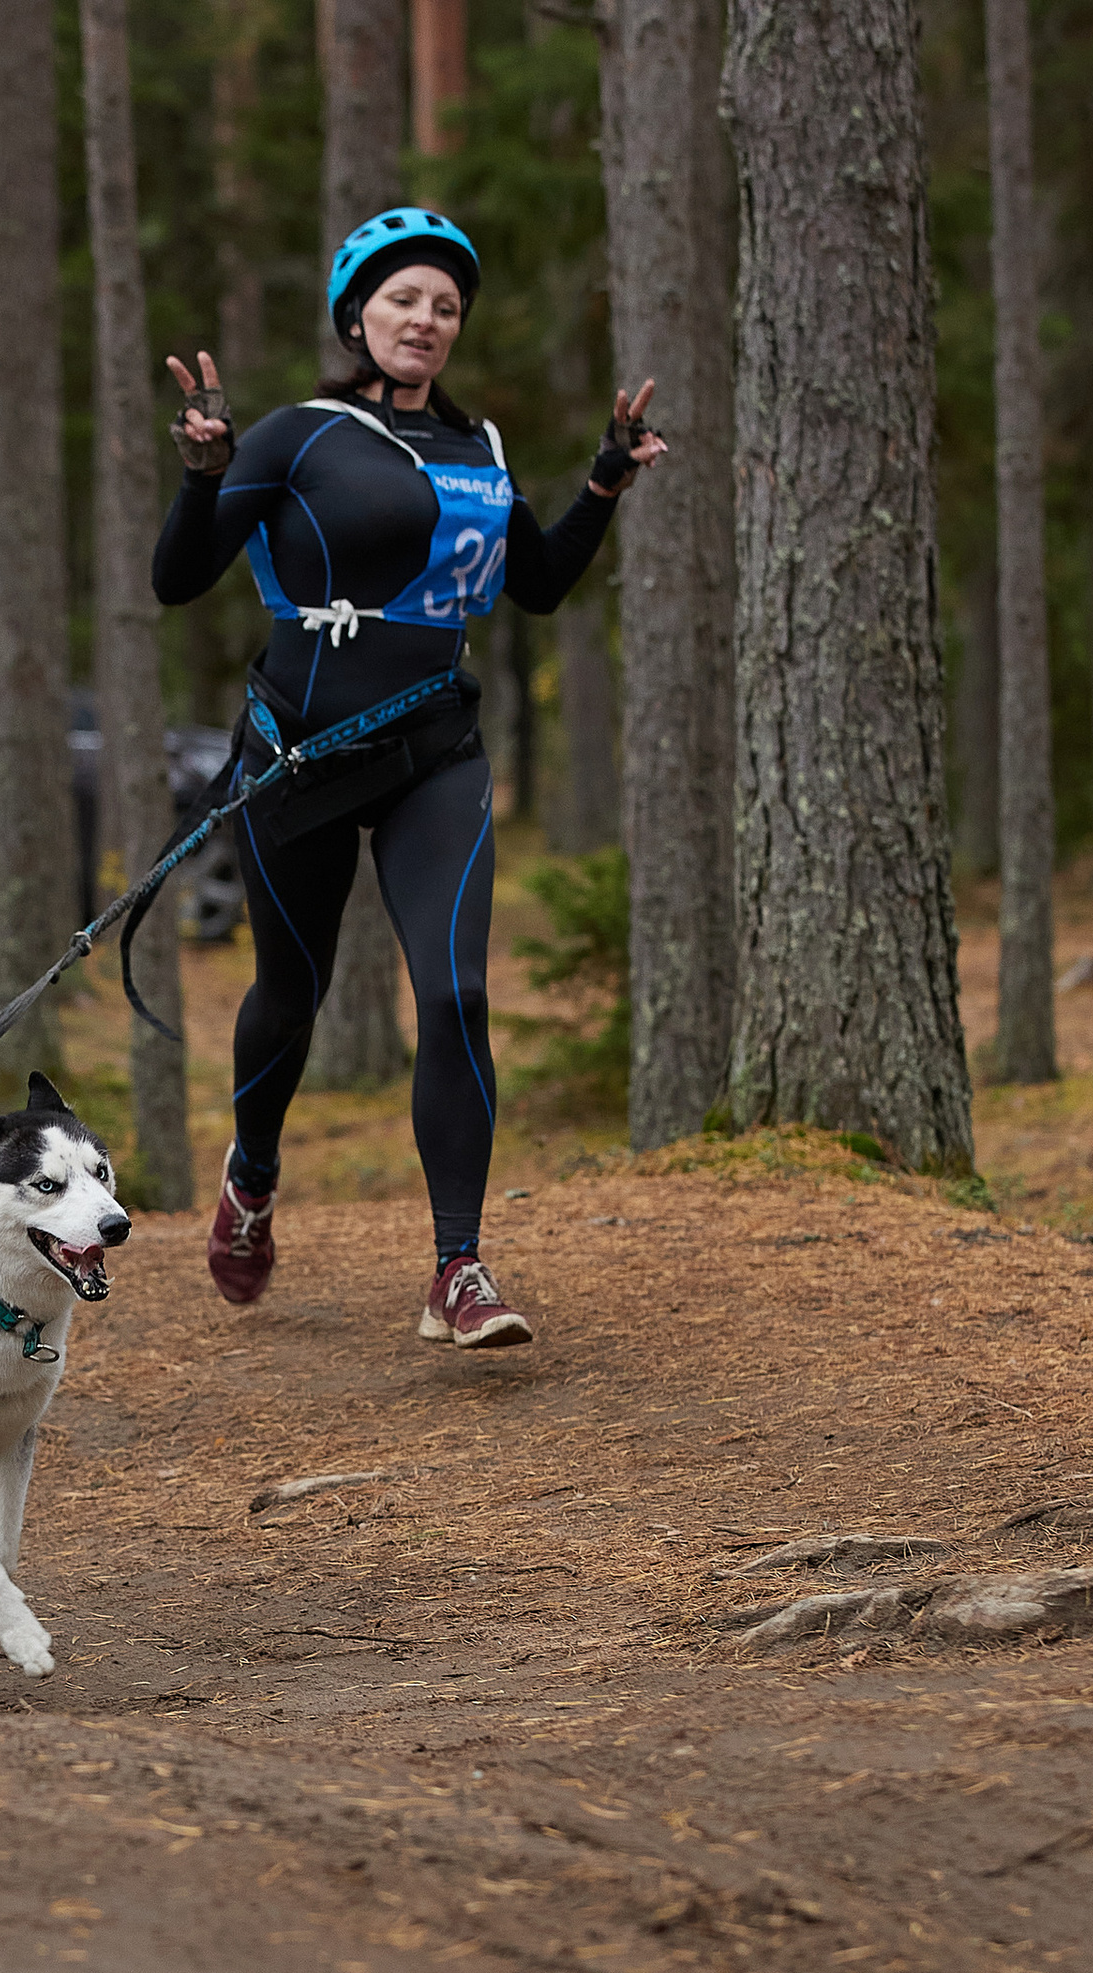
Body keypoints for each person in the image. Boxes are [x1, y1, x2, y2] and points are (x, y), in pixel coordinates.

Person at [152, 207, 663, 1346]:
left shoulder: (478, 449)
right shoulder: (298, 436)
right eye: (402, 300)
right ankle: (252, 1175)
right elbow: (176, 581)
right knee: (291, 995)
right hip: (298, 756)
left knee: (457, 995)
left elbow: (535, 585)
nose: (424, 319)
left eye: (444, 306)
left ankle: (457, 1268)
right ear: (357, 317)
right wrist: (203, 475)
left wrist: (602, 484)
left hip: (434, 753)